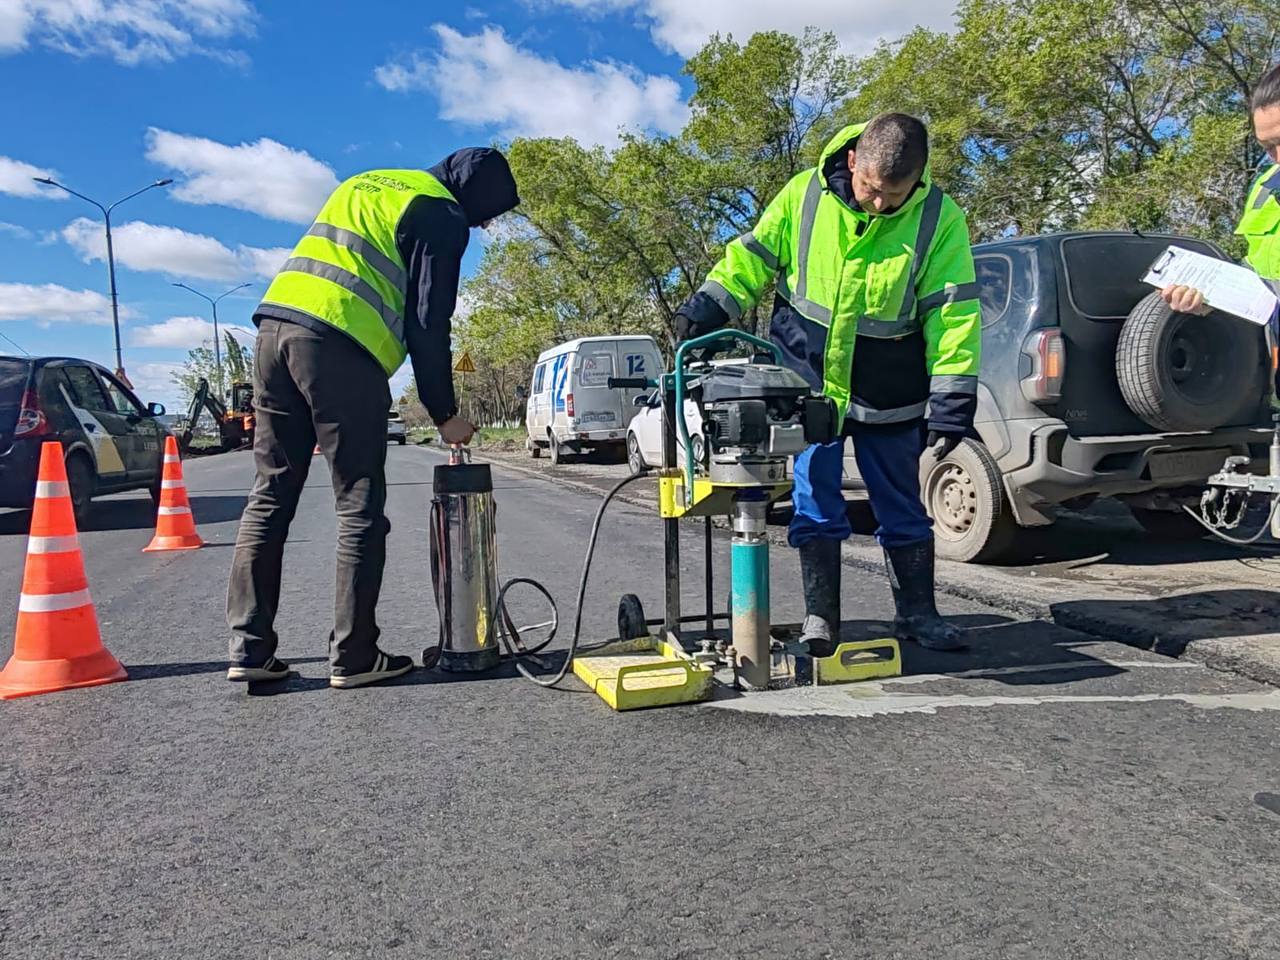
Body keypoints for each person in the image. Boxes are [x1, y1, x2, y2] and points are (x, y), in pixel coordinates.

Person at [675, 114, 981, 653]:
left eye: (895, 194)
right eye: (871, 189)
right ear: (852, 161)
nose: (881, 204)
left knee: (902, 505)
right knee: (815, 502)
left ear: (919, 177)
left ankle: (917, 614)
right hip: (808, 382)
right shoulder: (802, 195)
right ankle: (823, 619)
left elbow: (953, 313)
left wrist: (953, 396)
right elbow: (752, 256)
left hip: (890, 387)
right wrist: (711, 303)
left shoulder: (940, 218)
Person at [225, 150, 520, 688]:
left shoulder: (369, 183)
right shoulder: (441, 214)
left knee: (270, 496)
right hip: (340, 346)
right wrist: (446, 414)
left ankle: (249, 649)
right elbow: (430, 322)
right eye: (487, 214)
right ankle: (355, 656)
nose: (483, 224)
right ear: (474, 199)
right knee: (360, 503)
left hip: (273, 331)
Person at [1160, 65, 1280, 328]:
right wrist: (1211, 301)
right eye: (1268, 147)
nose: (1277, 157)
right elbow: (1260, 278)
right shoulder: (1265, 185)